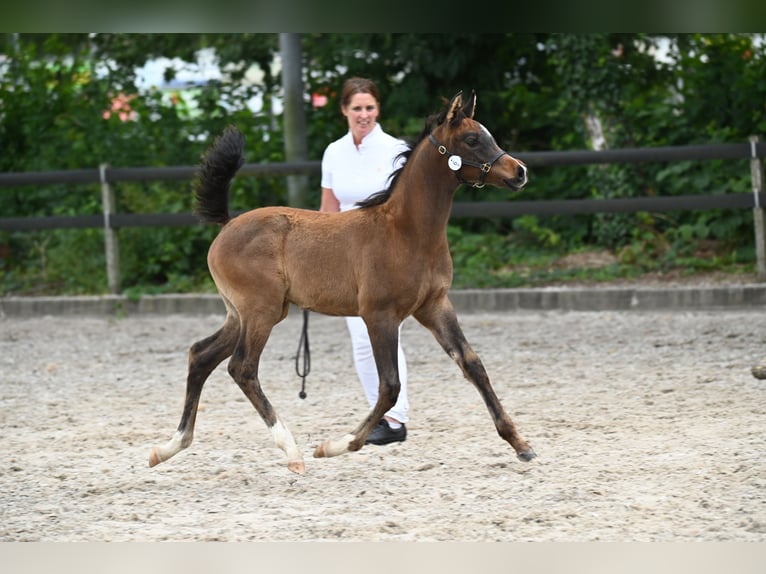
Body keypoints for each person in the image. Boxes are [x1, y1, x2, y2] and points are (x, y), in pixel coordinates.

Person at [320, 77, 409, 445]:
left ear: (378, 110)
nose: (364, 115)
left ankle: (396, 416)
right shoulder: (334, 152)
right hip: (345, 252)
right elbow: (328, 208)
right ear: (344, 110)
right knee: (359, 338)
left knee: (385, 332)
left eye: (369, 107)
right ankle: (381, 414)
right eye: (357, 108)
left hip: (385, 251)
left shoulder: (396, 149)